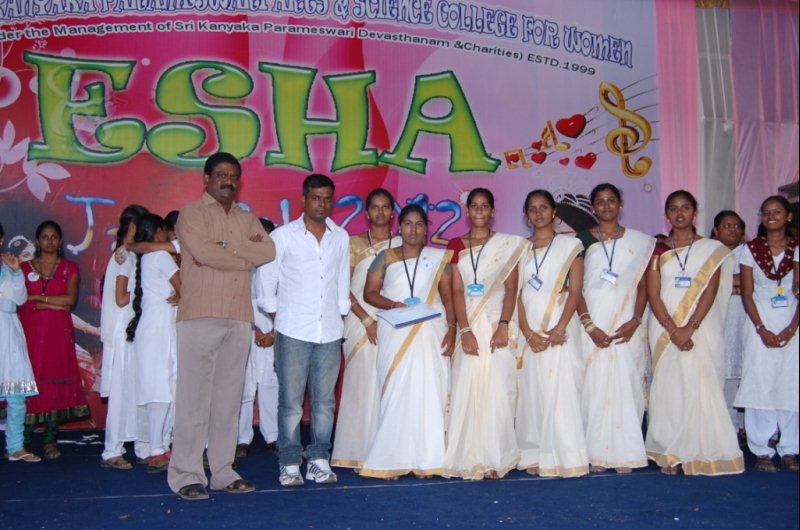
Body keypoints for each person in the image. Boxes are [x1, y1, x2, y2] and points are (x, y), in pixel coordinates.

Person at [167, 152, 275, 501]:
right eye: (221, 175)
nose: (228, 181)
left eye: (233, 176)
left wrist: (227, 247)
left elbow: (268, 251)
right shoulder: (191, 213)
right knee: (193, 399)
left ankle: (223, 471)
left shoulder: (247, 217)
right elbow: (203, 253)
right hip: (200, 314)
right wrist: (241, 256)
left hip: (239, 317)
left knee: (229, 401)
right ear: (207, 178)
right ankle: (186, 474)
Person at [645, 190, 744, 476]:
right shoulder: (657, 250)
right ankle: (672, 452)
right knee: (670, 388)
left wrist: (690, 327)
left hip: (701, 327)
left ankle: (701, 450)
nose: (679, 213)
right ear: (666, 215)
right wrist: (673, 329)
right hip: (665, 329)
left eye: (685, 208)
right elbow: (653, 293)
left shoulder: (711, 249)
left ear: (695, 212)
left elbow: (710, 291)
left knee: (702, 385)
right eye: (673, 208)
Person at [260, 173, 350, 487]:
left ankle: (319, 461)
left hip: (330, 331)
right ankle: (289, 463)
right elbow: (266, 281)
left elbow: (342, 280)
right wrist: (280, 316)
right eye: (315, 198)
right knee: (291, 402)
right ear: (303, 199)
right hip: (293, 330)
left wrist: (339, 315)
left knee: (325, 402)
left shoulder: (341, 237)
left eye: (327, 199)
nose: (321, 204)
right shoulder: (283, 236)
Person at [360, 204, 456, 479]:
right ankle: (391, 459)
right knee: (395, 390)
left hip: (431, 331)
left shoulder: (438, 259)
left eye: (419, 224)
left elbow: (448, 298)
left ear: (426, 229)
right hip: (396, 328)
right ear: (399, 227)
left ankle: (428, 459)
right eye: (408, 224)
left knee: (430, 391)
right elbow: (369, 293)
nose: (413, 230)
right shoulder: (385, 257)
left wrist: (452, 329)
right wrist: (394, 305)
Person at [442, 188, 527, 480]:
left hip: (496, 325)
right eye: (474, 206)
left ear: (493, 211)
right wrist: (464, 330)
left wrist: (503, 324)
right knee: (467, 388)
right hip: (469, 325)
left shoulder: (507, 245)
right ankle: (469, 456)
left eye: (484, 206)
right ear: (467, 211)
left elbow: (512, 288)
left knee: (498, 390)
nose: (479, 210)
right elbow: (456, 291)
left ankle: (496, 458)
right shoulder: (455, 244)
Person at [576, 183, 653, 474]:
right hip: (592, 325)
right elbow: (575, 288)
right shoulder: (581, 240)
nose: (606, 206)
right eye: (600, 201)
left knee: (627, 383)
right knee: (593, 386)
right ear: (592, 207)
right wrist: (589, 324)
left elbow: (644, 286)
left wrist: (635, 320)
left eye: (611, 200)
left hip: (627, 325)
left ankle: (625, 452)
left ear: (620, 204)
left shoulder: (639, 242)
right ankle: (595, 452)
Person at [515, 190, 588, 478]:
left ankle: (566, 455)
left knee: (561, 390)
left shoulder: (571, 245)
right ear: (526, 214)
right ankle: (535, 452)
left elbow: (576, 291)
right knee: (533, 391)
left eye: (543, 207)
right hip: (530, 330)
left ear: (554, 211)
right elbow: (515, 294)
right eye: (532, 208)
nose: (538, 213)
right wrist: (526, 331)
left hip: (561, 327)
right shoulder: (520, 249)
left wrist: (560, 328)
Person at [331, 188, 401, 470]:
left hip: (394, 322)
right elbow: (343, 288)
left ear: (393, 213)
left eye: (386, 207)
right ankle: (356, 450)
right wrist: (367, 320)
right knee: (361, 385)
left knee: (389, 384)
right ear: (367, 212)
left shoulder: (403, 244)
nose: (380, 212)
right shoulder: (352, 244)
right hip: (360, 321)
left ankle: (388, 450)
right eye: (375, 207)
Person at [735, 195, 799, 472]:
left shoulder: (797, 248)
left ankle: (789, 448)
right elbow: (747, 292)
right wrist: (761, 328)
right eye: (766, 212)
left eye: (777, 211)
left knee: (791, 382)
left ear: (789, 216)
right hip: (758, 322)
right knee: (759, 382)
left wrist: (792, 328)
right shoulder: (751, 250)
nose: (771, 216)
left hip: (792, 321)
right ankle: (761, 449)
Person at [19, 220, 88, 459]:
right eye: (45, 237)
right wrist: (53, 303)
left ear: (60, 242)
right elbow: (22, 299)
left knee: (54, 383)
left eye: (54, 237)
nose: (49, 241)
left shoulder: (70, 268)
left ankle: (50, 441)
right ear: (37, 241)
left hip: (58, 335)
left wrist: (39, 298)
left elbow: (69, 300)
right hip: (30, 333)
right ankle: (22, 441)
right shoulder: (24, 268)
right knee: (31, 381)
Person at [127, 213, 180, 474]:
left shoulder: (147, 256)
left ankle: (156, 444)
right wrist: (181, 295)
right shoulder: (160, 256)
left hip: (153, 324)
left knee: (157, 387)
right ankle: (157, 449)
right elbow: (183, 286)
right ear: (159, 232)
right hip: (160, 326)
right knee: (161, 388)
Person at [99, 204, 148, 470]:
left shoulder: (136, 257)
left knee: (137, 390)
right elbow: (120, 299)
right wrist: (146, 290)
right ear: (131, 228)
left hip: (134, 332)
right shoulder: (123, 257)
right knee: (121, 392)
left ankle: (143, 446)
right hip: (122, 333)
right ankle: (112, 450)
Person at [237, 218, 279, 458]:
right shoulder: (241, 267)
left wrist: (272, 333)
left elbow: (287, 304)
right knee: (244, 385)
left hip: (274, 333)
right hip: (245, 332)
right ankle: (241, 438)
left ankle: (273, 435)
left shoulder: (280, 267)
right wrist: (254, 330)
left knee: (271, 384)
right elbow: (236, 303)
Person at [1, 222, 41, 463]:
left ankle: (15, 446)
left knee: (16, 394)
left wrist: (16, 272)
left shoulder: (10, 266)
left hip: (8, 329)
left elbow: (20, 299)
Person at [712, 210, 747, 436]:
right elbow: (705, 283)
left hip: (746, 319)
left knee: (746, 376)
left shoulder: (750, 253)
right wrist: (735, 284)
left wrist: (735, 284)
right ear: (716, 230)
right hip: (719, 322)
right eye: (727, 226)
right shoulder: (710, 253)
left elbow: (752, 281)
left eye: (737, 226)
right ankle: (729, 431)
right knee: (724, 378)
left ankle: (745, 428)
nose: (733, 230)